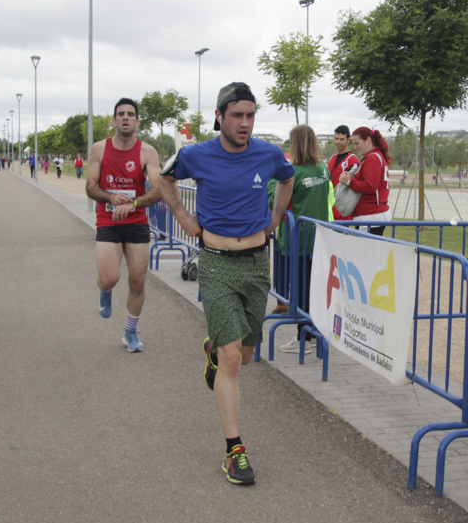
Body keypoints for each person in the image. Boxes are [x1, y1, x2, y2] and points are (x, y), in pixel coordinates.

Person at [158, 81, 294, 485]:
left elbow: (286, 181)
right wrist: (185, 219)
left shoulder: (269, 154)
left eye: (251, 116)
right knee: (233, 359)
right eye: (237, 115)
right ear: (220, 116)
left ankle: (214, 351)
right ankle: (234, 449)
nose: (245, 123)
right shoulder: (196, 154)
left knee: (245, 356)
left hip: (256, 265)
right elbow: (164, 179)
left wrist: (275, 217)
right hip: (215, 263)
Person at [86, 98, 163, 353]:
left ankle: (130, 332)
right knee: (109, 278)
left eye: (131, 114)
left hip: (136, 221)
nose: (126, 118)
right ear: (114, 120)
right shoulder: (99, 149)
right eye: (121, 114)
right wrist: (110, 197)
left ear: (137, 121)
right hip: (108, 220)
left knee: (138, 281)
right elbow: (90, 187)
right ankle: (104, 289)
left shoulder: (147, 152)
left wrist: (134, 203)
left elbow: (159, 190)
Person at [272, 124, 332, 355]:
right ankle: (314, 334)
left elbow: (276, 201)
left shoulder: (293, 171)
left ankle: (303, 337)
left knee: (300, 290)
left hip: (298, 239)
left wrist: (271, 184)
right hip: (318, 236)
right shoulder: (322, 169)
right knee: (314, 289)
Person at [338, 127, 391, 236]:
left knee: (366, 251)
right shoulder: (373, 156)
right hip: (372, 215)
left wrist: (349, 182)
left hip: (370, 215)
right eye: (354, 144)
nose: (355, 147)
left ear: (368, 140)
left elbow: (370, 186)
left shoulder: (372, 158)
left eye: (357, 143)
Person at [327, 124, 358, 221]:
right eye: (336, 139)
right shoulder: (332, 158)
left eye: (341, 139)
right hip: (329, 209)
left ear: (348, 140)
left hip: (342, 211)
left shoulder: (353, 161)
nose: (338, 142)